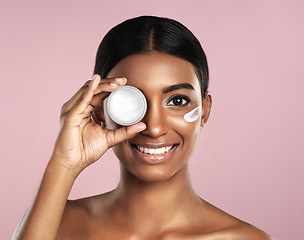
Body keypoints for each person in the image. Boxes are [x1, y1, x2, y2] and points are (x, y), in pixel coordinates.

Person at [13, 16, 274, 240]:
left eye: (178, 101)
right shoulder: (56, 226)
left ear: (204, 111)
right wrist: (63, 164)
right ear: (101, 110)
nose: (154, 128)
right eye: (130, 100)